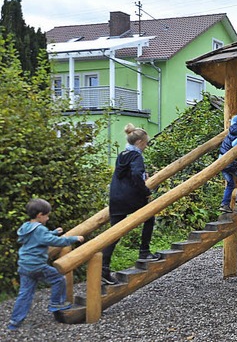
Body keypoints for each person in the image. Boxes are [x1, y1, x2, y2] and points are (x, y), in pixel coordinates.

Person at [7, 199, 84, 331]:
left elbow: (39, 238)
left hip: (24, 266)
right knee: (59, 279)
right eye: (47, 216)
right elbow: (53, 241)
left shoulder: (26, 227)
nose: (48, 218)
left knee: (25, 293)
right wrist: (74, 239)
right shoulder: (40, 229)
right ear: (40, 215)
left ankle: (15, 322)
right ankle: (56, 304)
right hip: (37, 266)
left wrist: (53, 232)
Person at [102, 124, 160, 285]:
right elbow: (135, 174)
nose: (146, 146)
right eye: (146, 143)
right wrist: (146, 191)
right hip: (130, 197)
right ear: (140, 141)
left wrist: (142, 176)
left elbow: (126, 174)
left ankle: (104, 268)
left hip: (116, 198)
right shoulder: (136, 156)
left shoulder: (122, 154)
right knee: (149, 216)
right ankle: (144, 251)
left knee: (115, 232)